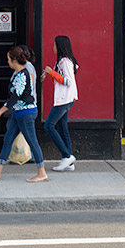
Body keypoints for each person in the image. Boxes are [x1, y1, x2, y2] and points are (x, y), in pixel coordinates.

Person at [0, 46, 49, 182]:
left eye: (8, 59)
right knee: (8, 140)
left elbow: (14, 98)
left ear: (14, 60)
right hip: (19, 113)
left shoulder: (22, 75)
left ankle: (42, 172)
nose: (7, 62)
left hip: (26, 114)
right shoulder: (19, 74)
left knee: (32, 142)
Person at [42, 35, 79, 172]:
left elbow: (68, 81)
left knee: (49, 126)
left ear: (60, 46)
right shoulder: (64, 61)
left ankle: (66, 156)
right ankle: (69, 162)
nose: (53, 48)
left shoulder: (64, 62)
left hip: (64, 99)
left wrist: (52, 73)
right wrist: (49, 74)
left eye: (54, 45)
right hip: (67, 99)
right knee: (62, 128)